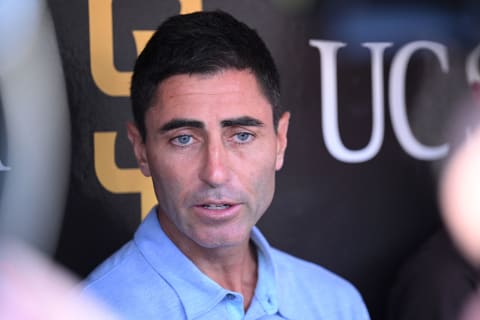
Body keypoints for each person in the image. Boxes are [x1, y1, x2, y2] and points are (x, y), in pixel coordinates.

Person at [82, 10, 370, 319]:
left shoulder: (337, 305)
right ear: (141, 150)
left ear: (280, 141)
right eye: (183, 139)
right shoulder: (85, 312)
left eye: (242, 135)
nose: (215, 173)